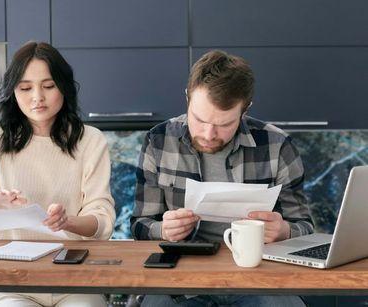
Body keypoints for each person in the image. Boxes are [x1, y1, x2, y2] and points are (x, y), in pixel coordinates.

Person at [0, 41, 115, 307]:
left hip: (74, 278)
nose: (37, 97)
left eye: (48, 86)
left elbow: (102, 222)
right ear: (13, 92)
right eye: (25, 88)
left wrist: (67, 222)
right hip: (11, 282)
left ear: (64, 87)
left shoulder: (90, 140)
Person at [131, 50, 314, 306]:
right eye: (199, 119)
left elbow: (306, 228)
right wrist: (162, 229)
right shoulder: (159, 141)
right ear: (187, 97)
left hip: (258, 279)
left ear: (245, 109)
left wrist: (284, 231)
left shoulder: (277, 145)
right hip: (179, 280)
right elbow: (139, 224)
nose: (208, 133)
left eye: (224, 124)